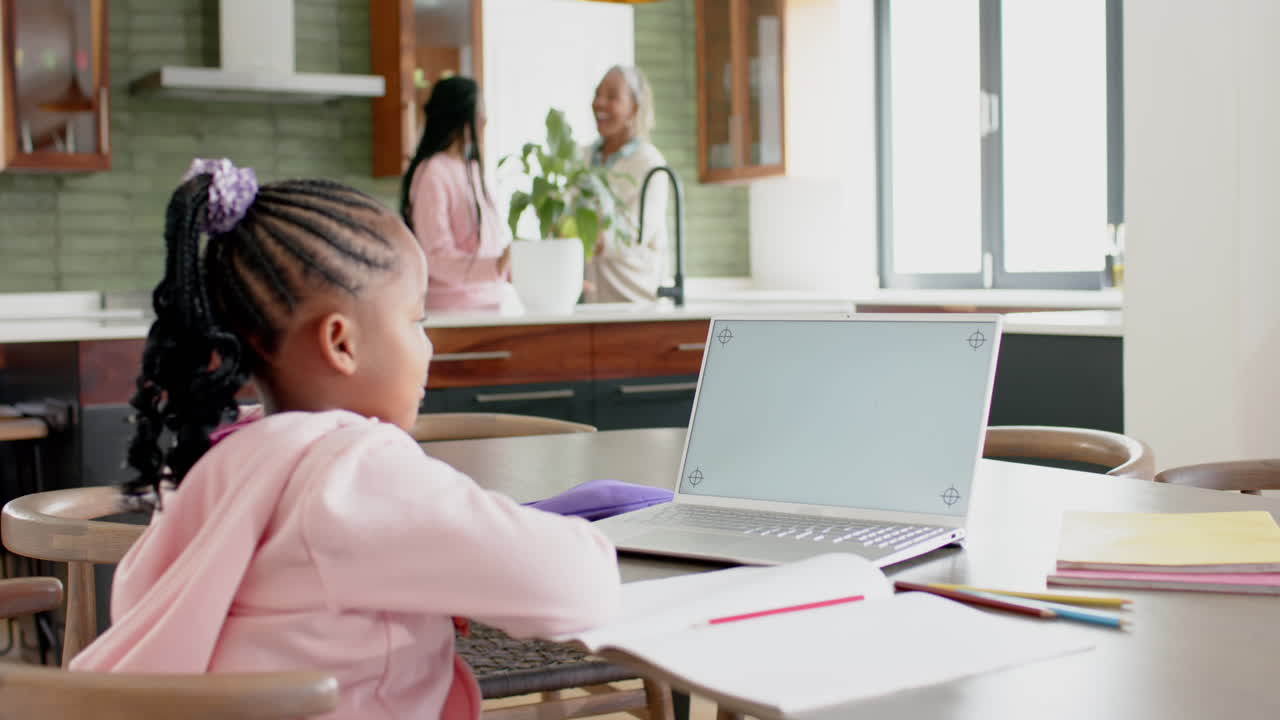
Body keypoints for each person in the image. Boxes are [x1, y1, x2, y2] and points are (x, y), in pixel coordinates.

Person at [68, 158, 621, 720]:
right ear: (341, 343)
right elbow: (580, 586)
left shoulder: (220, 460)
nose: (427, 347)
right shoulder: (354, 474)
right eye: (416, 319)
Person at [401, 76, 513, 311]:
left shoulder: (472, 170)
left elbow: (489, 248)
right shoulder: (433, 172)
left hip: (491, 305)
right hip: (453, 311)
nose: (485, 121)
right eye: (479, 113)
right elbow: (437, 258)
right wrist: (496, 266)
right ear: (460, 117)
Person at [583, 65, 670, 304]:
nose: (599, 103)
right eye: (597, 94)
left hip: (635, 302)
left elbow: (632, 233)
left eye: (611, 96)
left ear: (634, 107)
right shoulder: (583, 158)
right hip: (590, 303)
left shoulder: (649, 162)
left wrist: (578, 237)